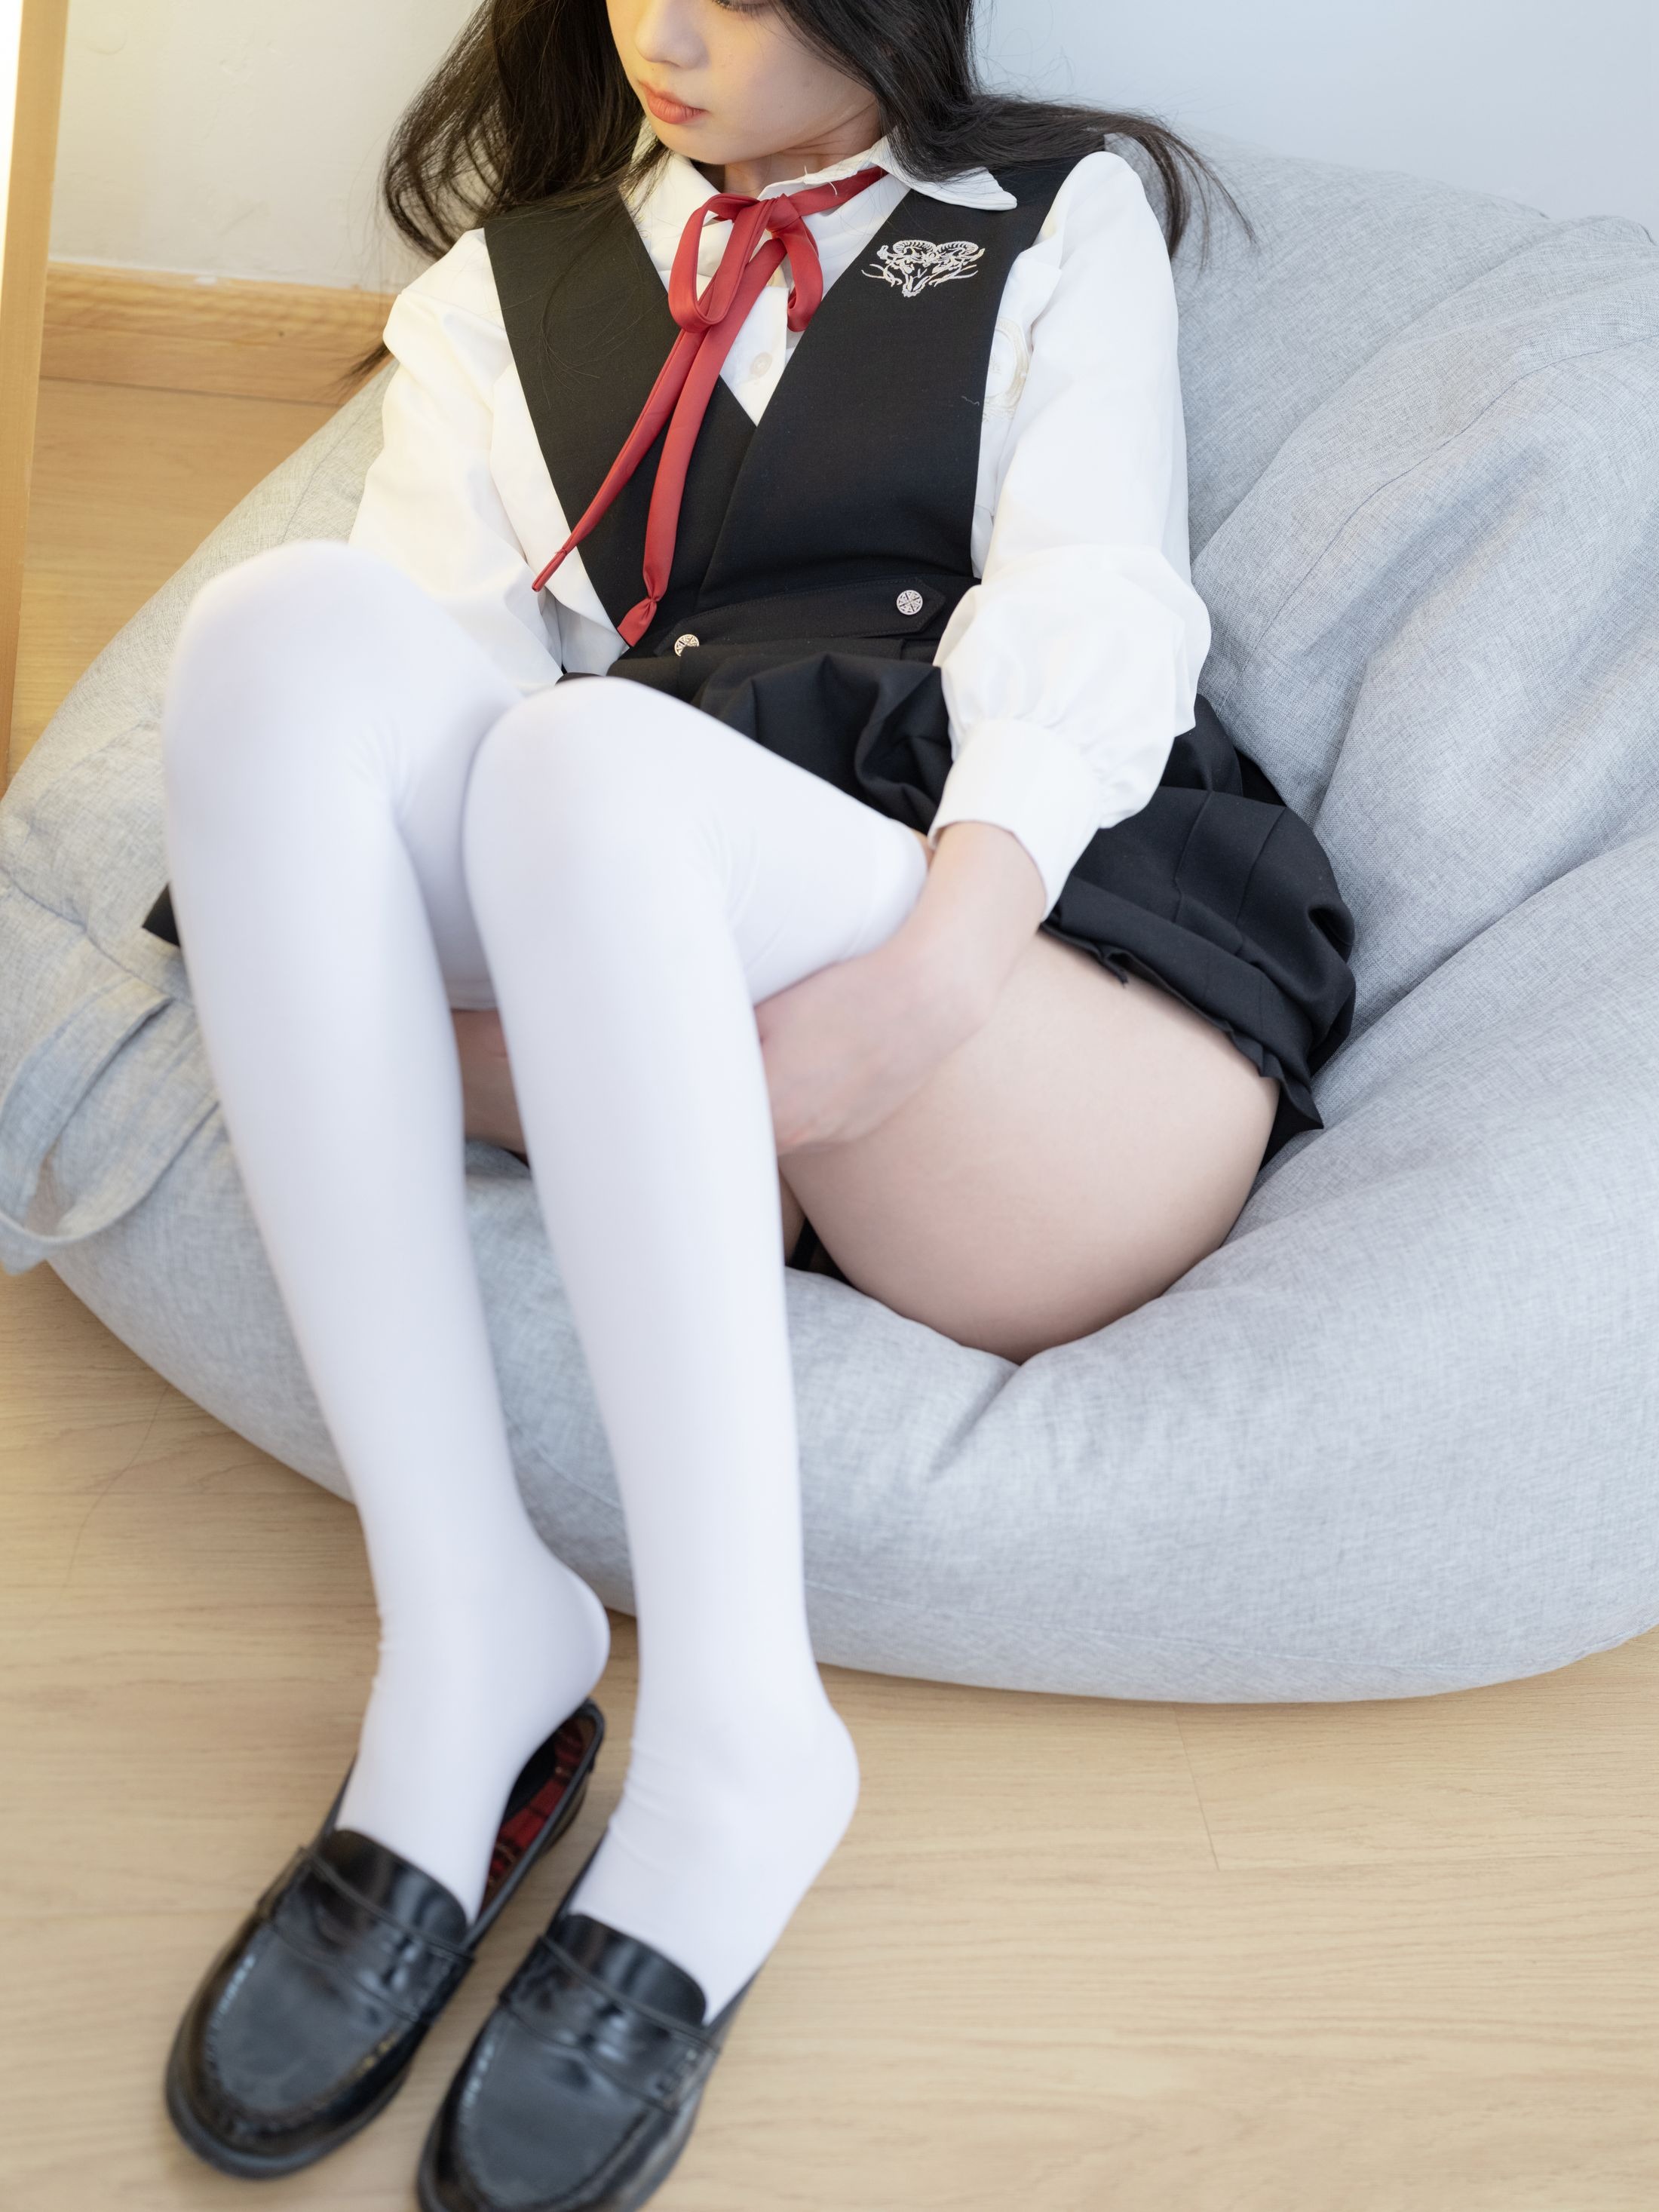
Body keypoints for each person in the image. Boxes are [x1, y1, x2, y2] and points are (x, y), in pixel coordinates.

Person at [153, 1, 1357, 2205]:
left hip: (1019, 972)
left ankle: (738, 1743)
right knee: (278, 640)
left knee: (590, 756)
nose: (673, 29)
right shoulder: (508, 294)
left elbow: (1098, 592)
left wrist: (932, 977)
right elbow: (405, 782)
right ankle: (467, 1637)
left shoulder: (1046, 213)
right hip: (641, 945)